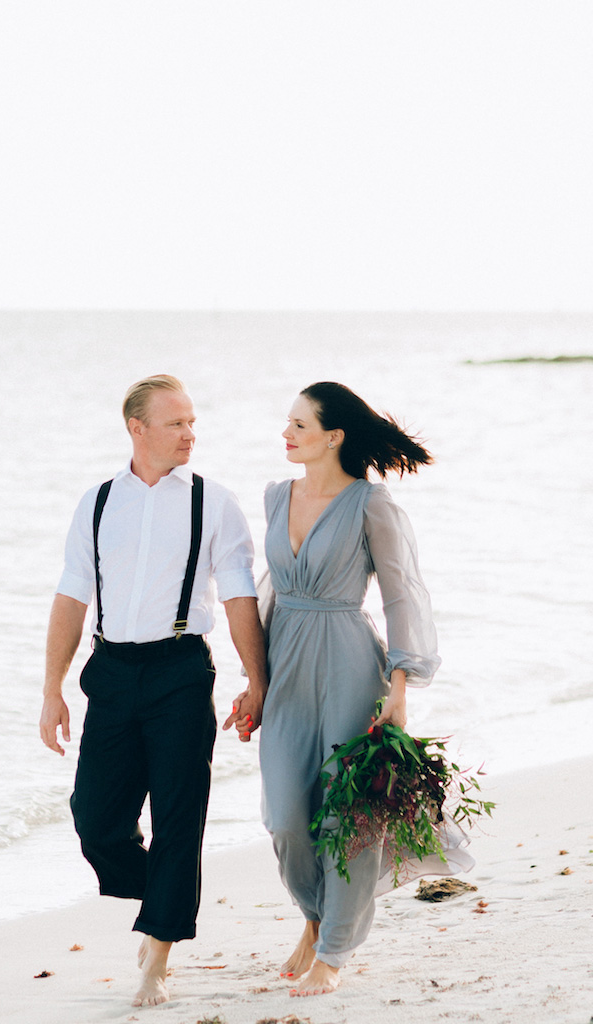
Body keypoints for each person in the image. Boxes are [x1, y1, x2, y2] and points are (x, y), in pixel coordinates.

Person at [224, 381, 472, 997]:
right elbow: (270, 591)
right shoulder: (276, 496)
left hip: (349, 665)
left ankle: (333, 950)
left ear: (334, 436)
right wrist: (255, 683)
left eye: (300, 426)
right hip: (287, 667)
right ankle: (315, 916)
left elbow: (402, 593)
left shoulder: (370, 504)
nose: (286, 434)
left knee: (347, 818)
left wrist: (401, 687)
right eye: (288, 422)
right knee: (285, 816)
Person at [39, 374, 268, 1008]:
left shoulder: (212, 502)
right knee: (96, 821)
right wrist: (52, 688)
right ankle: (166, 898)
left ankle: (157, 959)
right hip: (109, 672)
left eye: (192, 421)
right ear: (137, 429)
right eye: (175, 423)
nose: (190, 433)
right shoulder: (97, 503)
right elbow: (71, 596)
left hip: (180, 673)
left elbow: (239, 595)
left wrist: (257, 678)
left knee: (177, 818)